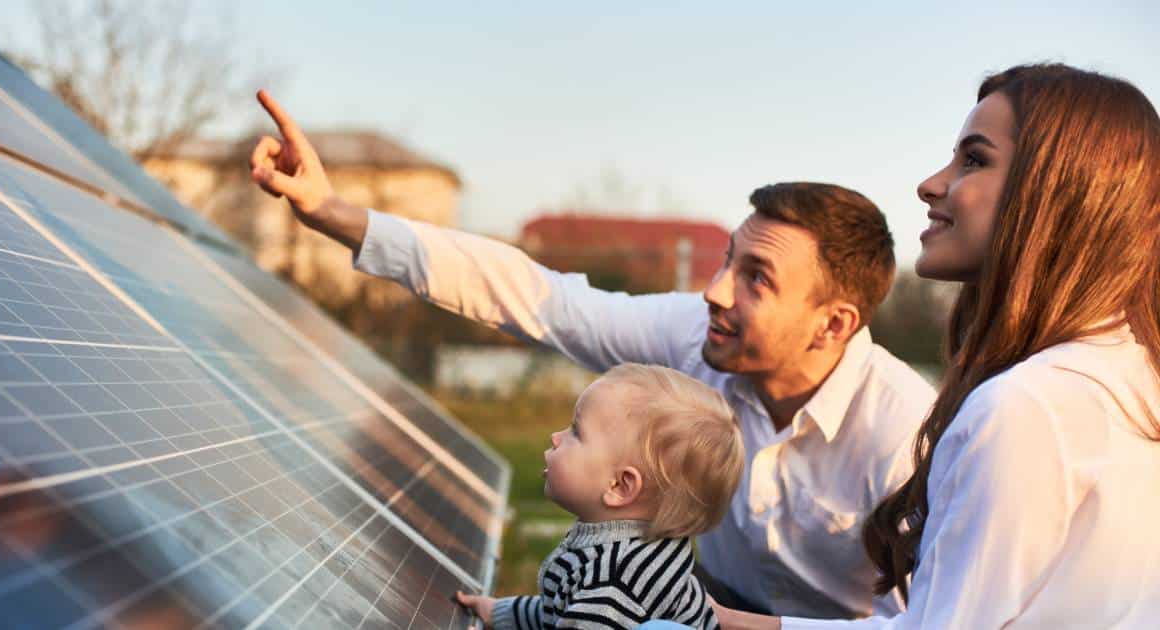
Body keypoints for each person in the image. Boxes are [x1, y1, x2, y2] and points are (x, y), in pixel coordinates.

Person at [248, 91, 937, 619]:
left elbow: (935, 620)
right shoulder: (697, 338)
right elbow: (536, 297)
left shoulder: (907, 433)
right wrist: (332, 212)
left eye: (756, 277)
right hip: (697, 605)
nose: (716, 290)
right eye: (728, 260)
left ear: (832, 324)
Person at [681, 63, 1160, 630]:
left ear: (1055, 193)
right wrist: (734, 623)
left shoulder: (1027, 407)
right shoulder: (1128, 373)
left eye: (974, 160)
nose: (931, 184)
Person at [454, 363, 744, 629]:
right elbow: (559, 609)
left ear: (619, 486)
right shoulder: (621, 549)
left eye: (576, 432)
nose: (556, 437)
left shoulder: (613, 587)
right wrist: (498, 612)